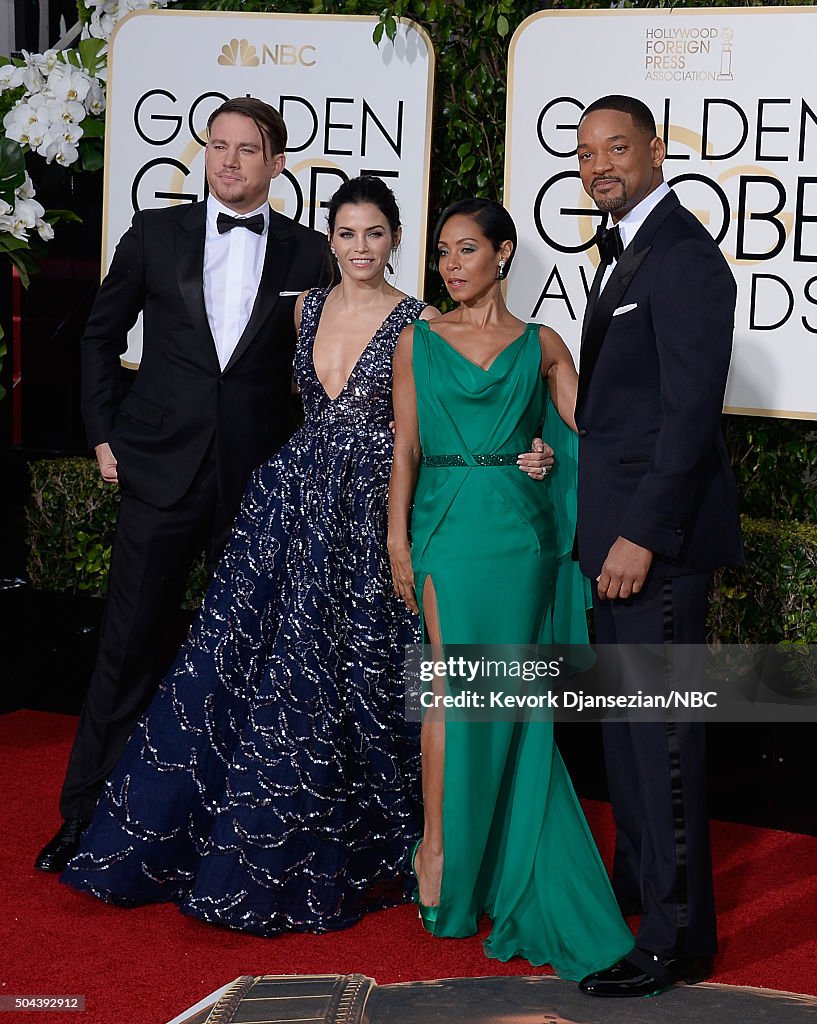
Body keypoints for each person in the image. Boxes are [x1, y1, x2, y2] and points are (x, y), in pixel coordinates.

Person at [35, 96, 333, 873]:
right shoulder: (154, 232)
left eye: (246, 150)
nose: (228, 161)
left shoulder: (309, 254)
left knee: (242, 655)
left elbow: (328, 370)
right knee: (126, 650)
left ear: (277, 164)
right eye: (217, 146)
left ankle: (222, 829)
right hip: (159, 469)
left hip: (255, 480)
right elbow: (100, 337)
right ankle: (85, 817)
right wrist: (103, 433)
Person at [388, 198, 635, 979]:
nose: (451, 266)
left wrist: (551, 459)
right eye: (441, 253)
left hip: (519, 539)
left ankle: (489, 868)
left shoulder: (543, 345)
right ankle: (438, 853)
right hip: (443, 529)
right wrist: (395, 538)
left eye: (466, 250)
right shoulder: (415, 342)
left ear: (502, 253)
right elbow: (405, 447)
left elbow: (591, 437)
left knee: (512, 707)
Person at [572, 96, 743, 998]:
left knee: (663, 739)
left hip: (654, 546)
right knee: (629, 734)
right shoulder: (626, 249)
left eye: (615, 148)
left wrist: (640, 533)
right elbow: (618, 412)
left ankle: (677, 940)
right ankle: (638, 897)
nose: (600, 164)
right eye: (585, 151)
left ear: (652, 151)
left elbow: (687, 418)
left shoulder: (680, 257)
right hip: (610, 538)